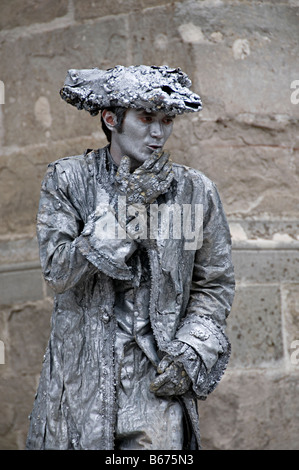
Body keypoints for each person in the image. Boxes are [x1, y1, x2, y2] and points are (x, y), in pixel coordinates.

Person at [26, 65, 235, 450]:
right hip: (78, 390)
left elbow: (214, 283)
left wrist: (190, 351)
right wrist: (127, 211)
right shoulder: (68, 179)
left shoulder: (194, 191)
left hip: (155, 390)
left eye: (167, 120)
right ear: (111, 118)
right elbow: (58, 272)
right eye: (145, 118)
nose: (158, 133)